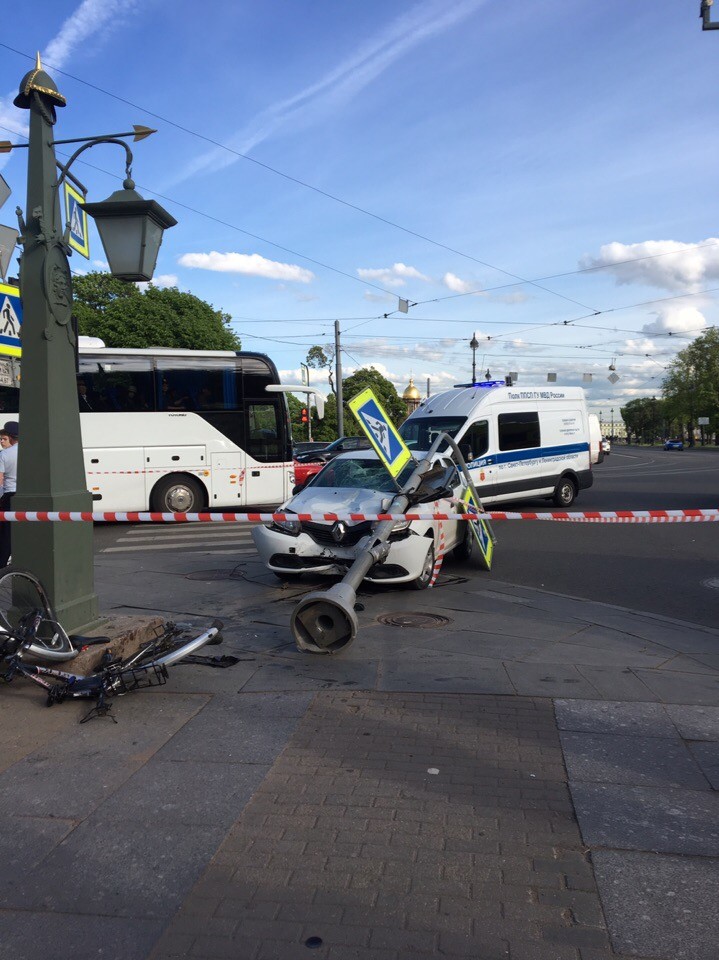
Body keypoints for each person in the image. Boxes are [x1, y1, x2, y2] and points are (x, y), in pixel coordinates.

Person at [0, 420, 19, 568]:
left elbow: (0, 481)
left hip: (9, 496)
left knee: (6, 534)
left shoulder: (5, 455)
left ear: (10, 437)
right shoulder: (30, 453)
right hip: (27, 496)